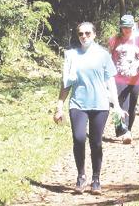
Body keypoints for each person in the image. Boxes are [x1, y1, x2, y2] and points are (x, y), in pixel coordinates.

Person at [54, 22, 126, 194]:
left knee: (96, 142)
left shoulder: (103, 55)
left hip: (100, 105)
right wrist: (59, 107)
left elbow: (110, 82)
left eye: (87, 33)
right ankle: (81, 176)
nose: (84, 36)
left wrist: (116, 106)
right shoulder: (71, 55)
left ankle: (96, 179)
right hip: (78, 104)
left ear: (94, 34)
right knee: (78, 138)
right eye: (80, 34)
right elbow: (66, 84)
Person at [108, 14, 139, 144]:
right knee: (120, 104)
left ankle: (128, 129)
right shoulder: (114, 40)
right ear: (121, 27)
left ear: (133, 27)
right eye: (124, 27)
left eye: (129, 27)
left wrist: (138, 64)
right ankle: (123, 131)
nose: (126, 30)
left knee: (132, 106)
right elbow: (109, 56)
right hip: (118, 78)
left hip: (135, 78)